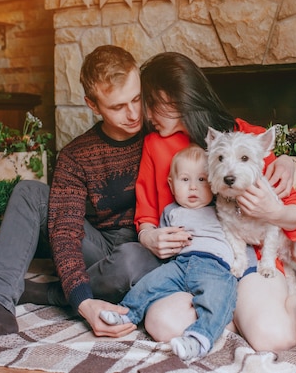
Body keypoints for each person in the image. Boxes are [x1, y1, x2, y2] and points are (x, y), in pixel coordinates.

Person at [0, 45, 161, 357]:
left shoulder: (161, 130)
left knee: (133, 258)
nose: (133, 114)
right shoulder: (76, 155)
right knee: (28, 191)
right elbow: (64, 230)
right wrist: (85, 303)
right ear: (93, 105)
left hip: (147, 248)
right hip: (102, 247)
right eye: (117, 106)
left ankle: (50, 293)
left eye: (137, 99)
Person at [134, 51, 296, 352]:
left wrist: (275, 204)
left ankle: (265, 305)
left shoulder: (242, 136)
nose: (147, 116)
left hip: (250, 259)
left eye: (152, 104)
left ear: (176, 97)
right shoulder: (154, 145)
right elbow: (146, 213)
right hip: (197, 264)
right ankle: (235, 314)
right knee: (161, 324)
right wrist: (149, 236)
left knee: (274, 338)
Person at [100, 144, 237, 360]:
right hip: (179, 264)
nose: (193, 188)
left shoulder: (221, 210)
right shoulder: (171, 212)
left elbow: (241, 239)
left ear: (213, 183)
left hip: (215, 267)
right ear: (172, 186)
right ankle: (126, 313)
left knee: (217, 299)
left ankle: (199, 339)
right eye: (185, 180)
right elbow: (161, 245)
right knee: (149, 284)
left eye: (201, 180)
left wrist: (242, 270)